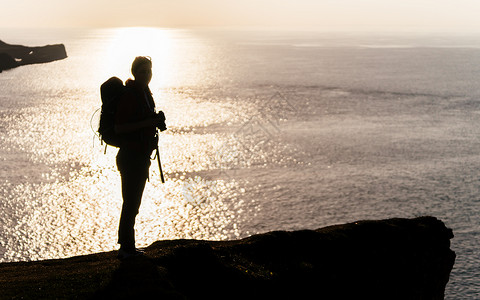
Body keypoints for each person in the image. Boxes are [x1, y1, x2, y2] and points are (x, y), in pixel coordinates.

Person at [114, 56, 164, 260]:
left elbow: (143, 121)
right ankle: (126, 249)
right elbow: (119, 127)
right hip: (131, 156)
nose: (147, 74)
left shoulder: (144, 93)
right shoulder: (130, 95)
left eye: (149, 70)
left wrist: (154, 121)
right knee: (131, 204)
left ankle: (127, 246)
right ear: (135, 72)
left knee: (133, 204)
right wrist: (147, 123)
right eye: (143, 71)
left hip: (140, 156)